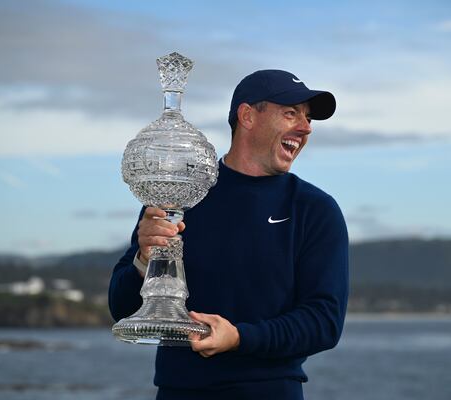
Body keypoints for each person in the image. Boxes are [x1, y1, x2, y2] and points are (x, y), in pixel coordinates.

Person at [109, 69, 349, 400]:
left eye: (308, 118)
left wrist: (240, 337)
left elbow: (324, 322)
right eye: (291, 113)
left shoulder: (315, 210)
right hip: (178, 392)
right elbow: (120, 308)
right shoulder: (181, 195)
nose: (306, 127)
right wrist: (143, 258)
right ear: (247, 116)